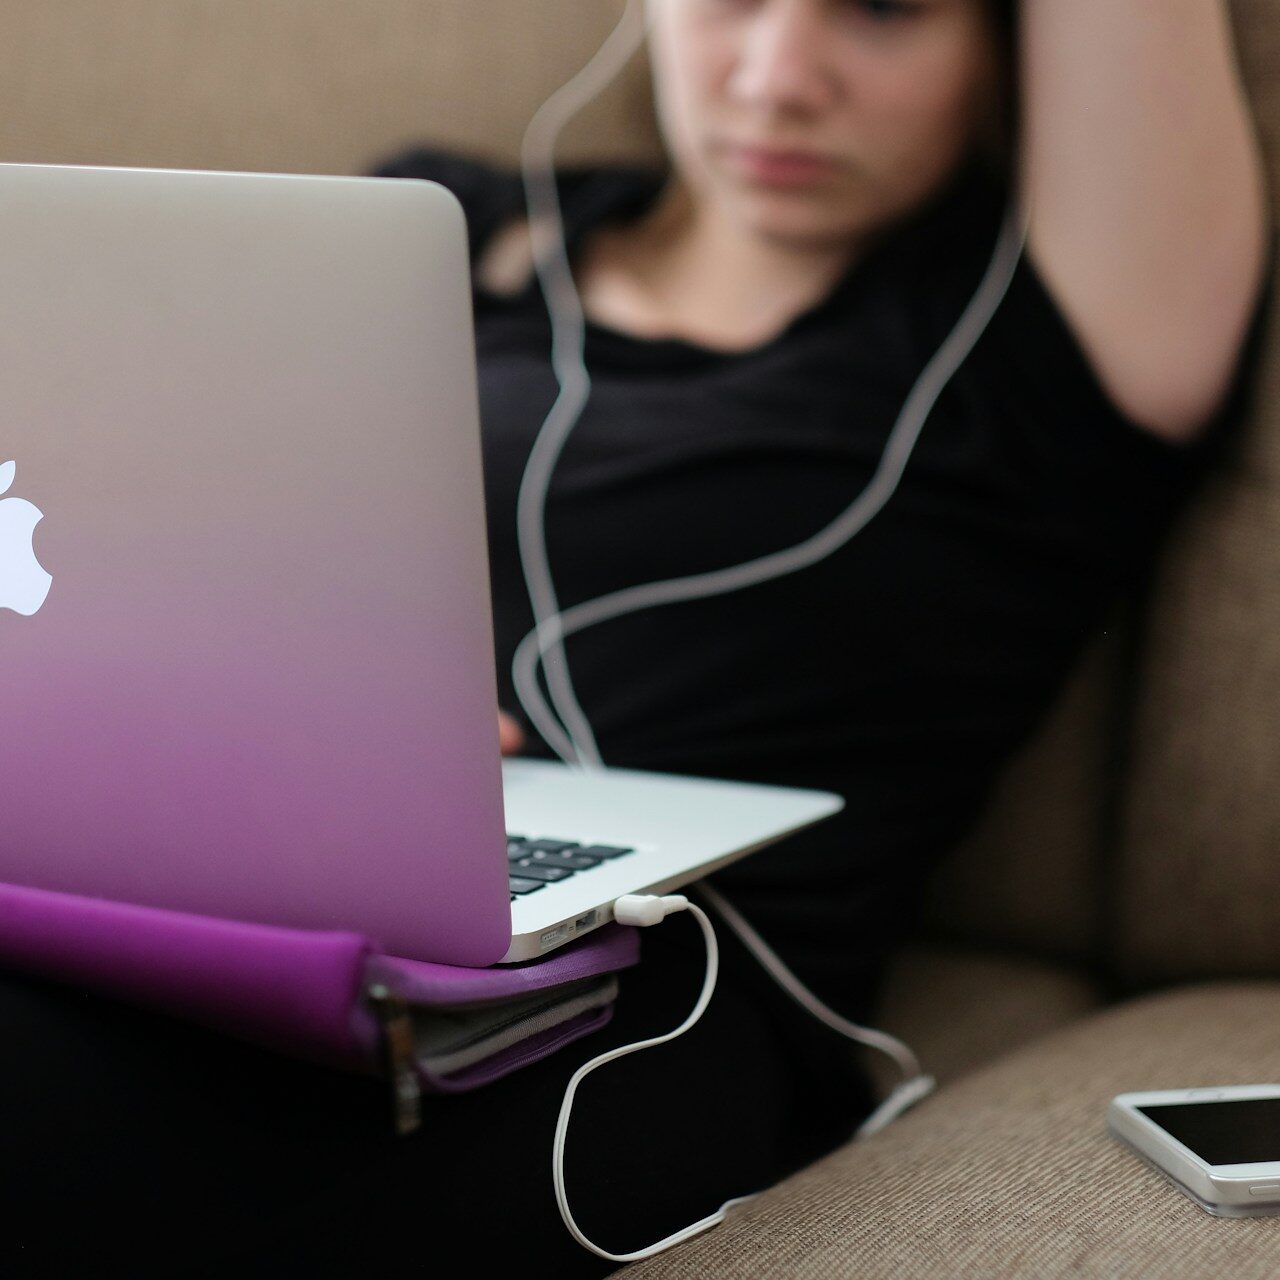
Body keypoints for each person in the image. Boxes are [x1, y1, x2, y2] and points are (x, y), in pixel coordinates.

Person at [1, 1, 1270, 1276]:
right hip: (255, 868)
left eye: (880, 11)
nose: (778, 78)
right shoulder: (429, 226)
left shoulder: (1044, 334)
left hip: (655, 989)